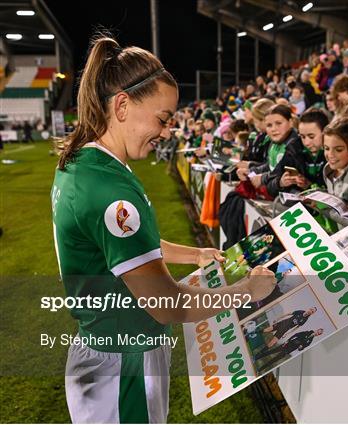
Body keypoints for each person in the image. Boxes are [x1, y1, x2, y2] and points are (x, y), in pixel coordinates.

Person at [52, 36, 276, 424]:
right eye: (162, 118)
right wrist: (246, 291)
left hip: (105, 353)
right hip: (124, 366)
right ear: (122, 105)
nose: (168, 131)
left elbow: (124, 245)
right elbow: (169, 305)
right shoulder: (111, 189)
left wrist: (195, 255)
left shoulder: (84, 165)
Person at [268, 108, 329, 197]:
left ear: (325, 132)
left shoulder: (333, 154)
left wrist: (309, 186)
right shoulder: (293, 149)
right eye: (303, 137)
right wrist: (280, 183)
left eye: (311, 137)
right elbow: (270, 185)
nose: (306, 143)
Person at [254, 329, 324, 371]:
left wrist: (300, 348)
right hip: (287, 344)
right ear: (316, 330)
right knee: (270, 352)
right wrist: (287, 341)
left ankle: (259, 369)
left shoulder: (310, 341)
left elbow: (301, 349)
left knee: (274, 360)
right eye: (318, 331)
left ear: (318, 335)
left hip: (289, 350)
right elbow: (296, 334)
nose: (317, 333)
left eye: (319, 333)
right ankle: (256, 358)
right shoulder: (307, 332)